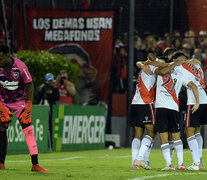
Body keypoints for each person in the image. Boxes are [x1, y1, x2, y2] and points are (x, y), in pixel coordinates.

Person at [0, 43, 49, 172]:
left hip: (19, 102)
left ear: (7, 55)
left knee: (28, 129)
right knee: (1, 129)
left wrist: (28, 106)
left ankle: (35, 165)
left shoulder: (20, 66)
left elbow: (30, 85)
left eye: (0, 58)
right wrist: (1, 107)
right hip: (3, 102)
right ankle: (1, 163)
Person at [154, 52, 200, 171]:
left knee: (165, 137)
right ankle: (180, 163)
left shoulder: (160, 70)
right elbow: (193, 85)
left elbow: (161, 69)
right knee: (176, 137)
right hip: (174, 108)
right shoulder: (181, 74)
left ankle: (170, 164)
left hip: (161, 108)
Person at [35, 73, 59, 149]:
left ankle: (50, 145)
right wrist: (40, 90)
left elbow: (57, 97)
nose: (50, 83)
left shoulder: (54, 89)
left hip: (50, 109)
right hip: (42, 109)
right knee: (40, 126)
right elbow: (37, 98)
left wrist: (51, 93)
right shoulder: (41, 88)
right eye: (48, 81)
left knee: (50, 127)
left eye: (51, 81)